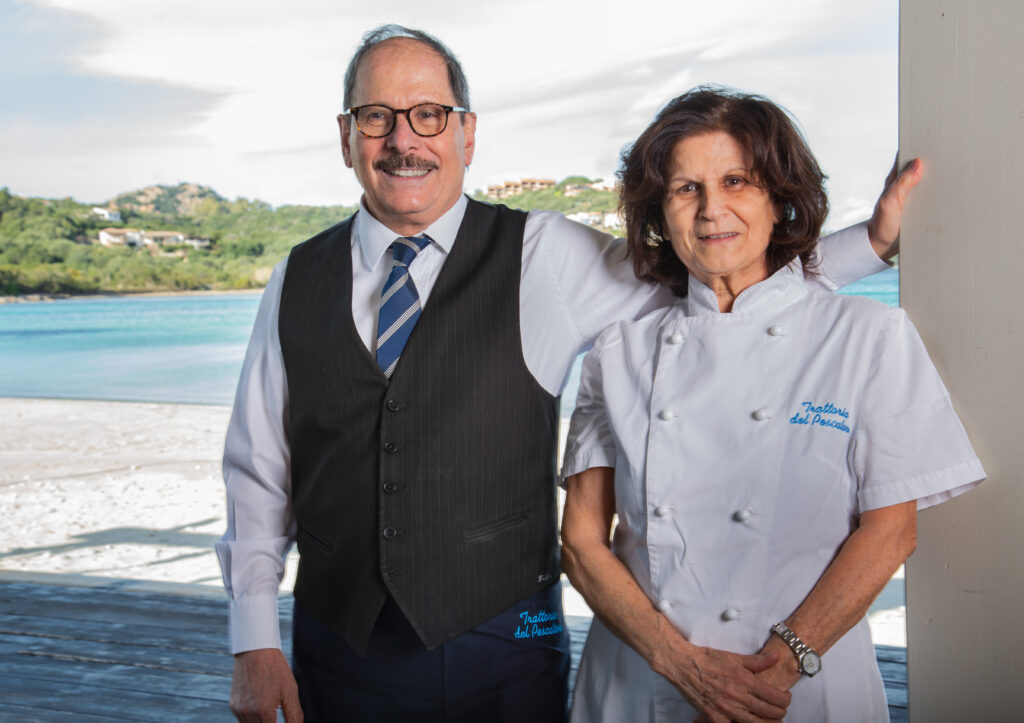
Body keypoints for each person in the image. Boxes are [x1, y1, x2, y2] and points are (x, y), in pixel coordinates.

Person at [217, 25, 916, 723]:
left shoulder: (543, 254)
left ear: (466, 133)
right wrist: (253, 638)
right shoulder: (295, 278)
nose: (404, 139)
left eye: (428, 114)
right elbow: (259, 468)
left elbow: (714, 270)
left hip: (505, 651)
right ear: (347, 137)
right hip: (338, 650)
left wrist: (870, 243)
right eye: (377, 116)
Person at [559, 86, 985, 723]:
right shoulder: (616, 354)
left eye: (736, 181)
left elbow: (891, 531)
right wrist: (681, 664)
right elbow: (581, 542)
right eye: (686, 189)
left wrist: (774, 671)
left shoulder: (867, 337)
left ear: (780, 199)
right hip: (643, 680)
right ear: (659, 213)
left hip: (799, 687)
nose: (712, 210)